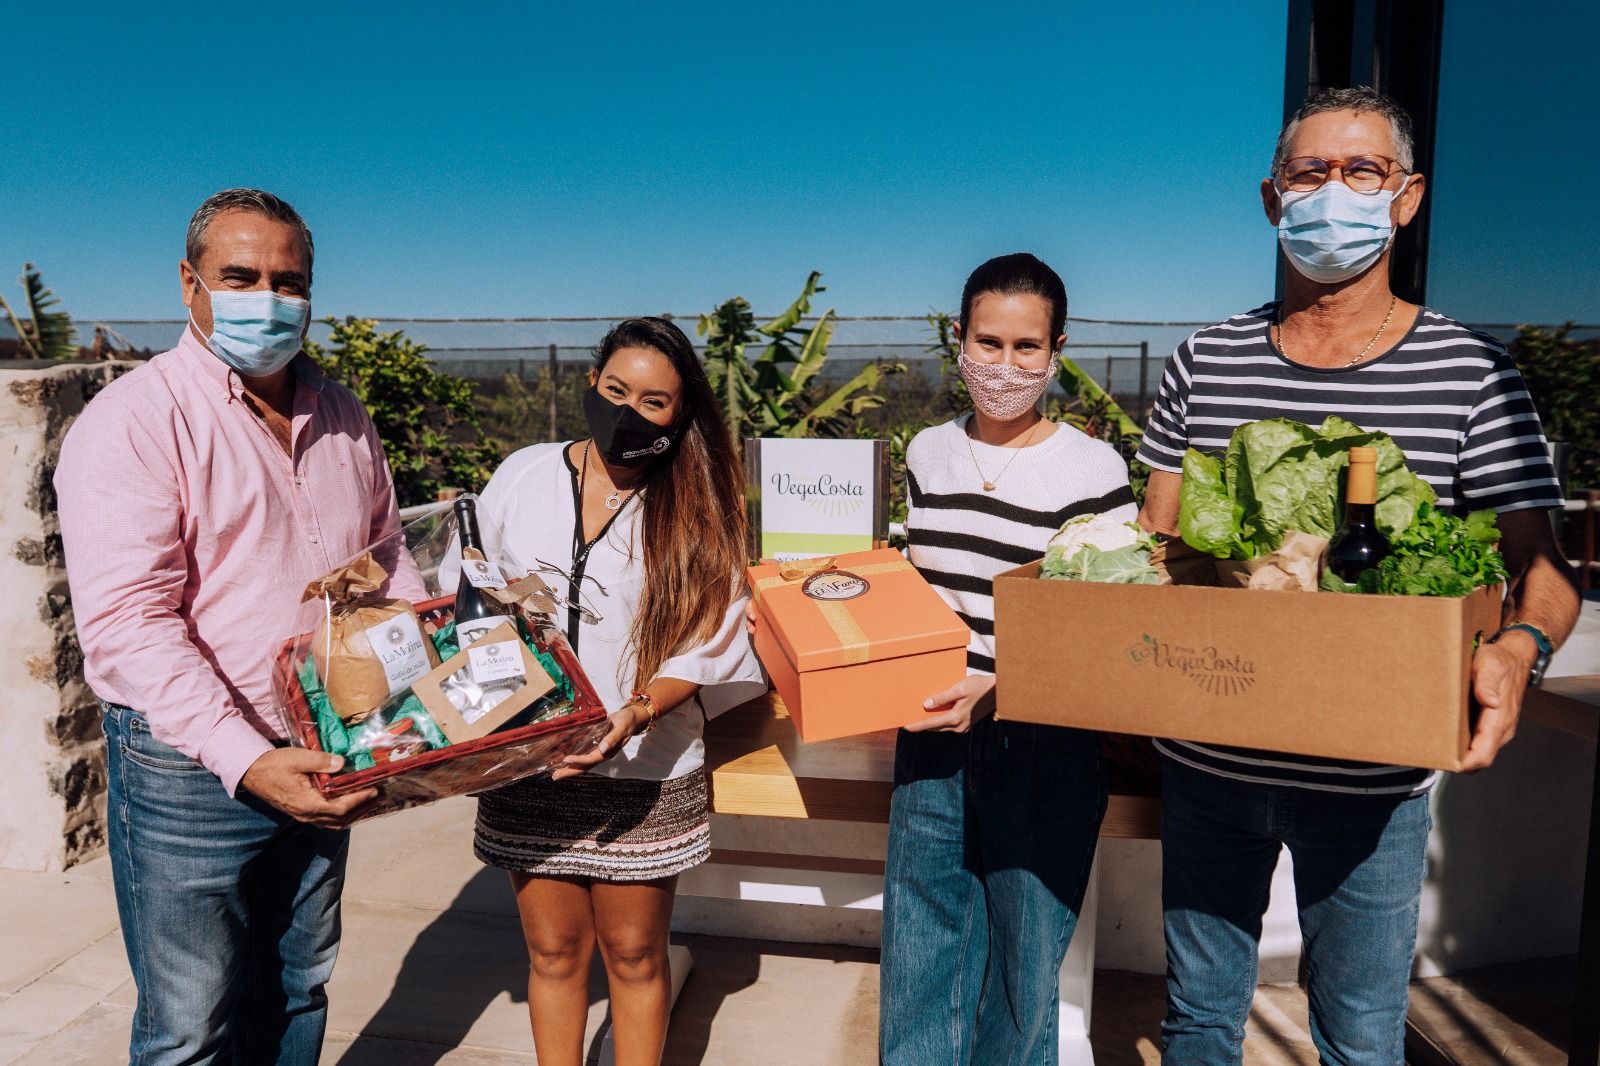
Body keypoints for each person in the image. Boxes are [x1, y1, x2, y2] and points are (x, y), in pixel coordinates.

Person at [1135, 86, 1581, 1064]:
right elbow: (1152, 551)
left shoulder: (1474, 374)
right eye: (1308, 172)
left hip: (1376, 775)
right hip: (1209, 758)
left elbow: (1543, 568)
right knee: (1198, 1021)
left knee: (1360, 1035)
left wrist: (1519, 644)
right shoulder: (1200, 363)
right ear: (1270, 198)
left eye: (1362, 172)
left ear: (1406, 197)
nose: (1331, 191)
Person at [55, 188, 422, 1065]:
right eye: (241, 276)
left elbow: (387, 562)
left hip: (326, 740)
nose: (269, 297)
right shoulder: (134, 423)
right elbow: (128, 625)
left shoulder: (341, 415)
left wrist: (419, 695)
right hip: (190, 770)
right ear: (191, 285)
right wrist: (250, 760)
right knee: (191, 1024)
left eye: (289, 281)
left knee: (298, 990)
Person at [441, 317, 764, 1066]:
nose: (628, 412)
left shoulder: (697, 503)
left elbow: (714, 638)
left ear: (679, 416)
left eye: (654, 403)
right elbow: (471, 593)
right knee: (553, 952)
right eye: (615, 390)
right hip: (532, 763)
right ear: (590, 384)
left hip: (644, 768)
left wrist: (638, 710)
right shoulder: (523, 473)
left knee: (634, 954)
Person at [878, 253, 1136, 1064]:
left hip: (1044, 740)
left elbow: (1105, 630)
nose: (1005, 365)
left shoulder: (1094, 469)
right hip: (930, 732)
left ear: (1058, 349)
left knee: (1025, 968)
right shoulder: (927, 453)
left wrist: (1005, 685)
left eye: (1027, 348)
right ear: (958, 340)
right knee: (922, 956)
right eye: (987, 342)